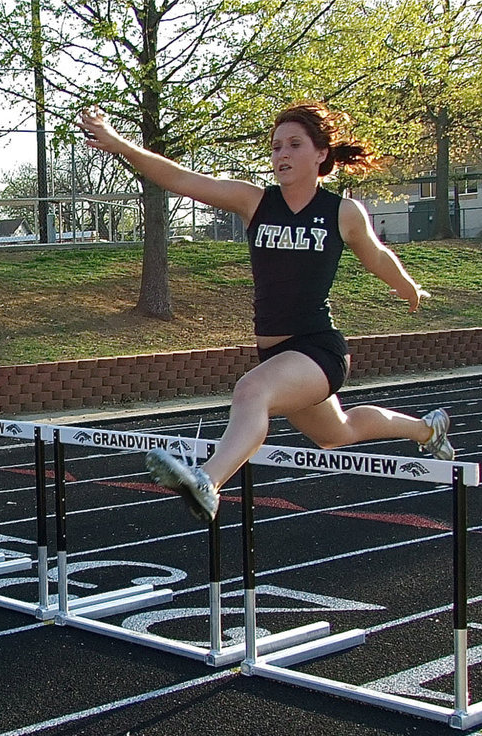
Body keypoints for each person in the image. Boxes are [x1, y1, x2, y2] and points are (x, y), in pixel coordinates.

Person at [77, 103, 455, 523]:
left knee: (251, 392)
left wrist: (407, 286)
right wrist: (117, 142)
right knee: (336, 433)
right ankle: (427, 429)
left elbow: (377, 255)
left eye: (294, 145)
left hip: (318, 349)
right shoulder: (255, 202)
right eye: (276, 148)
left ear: (320, 155)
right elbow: (179, 179)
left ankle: (207, 483)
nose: (282, 155)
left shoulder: (341, 212)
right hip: (277, 354)